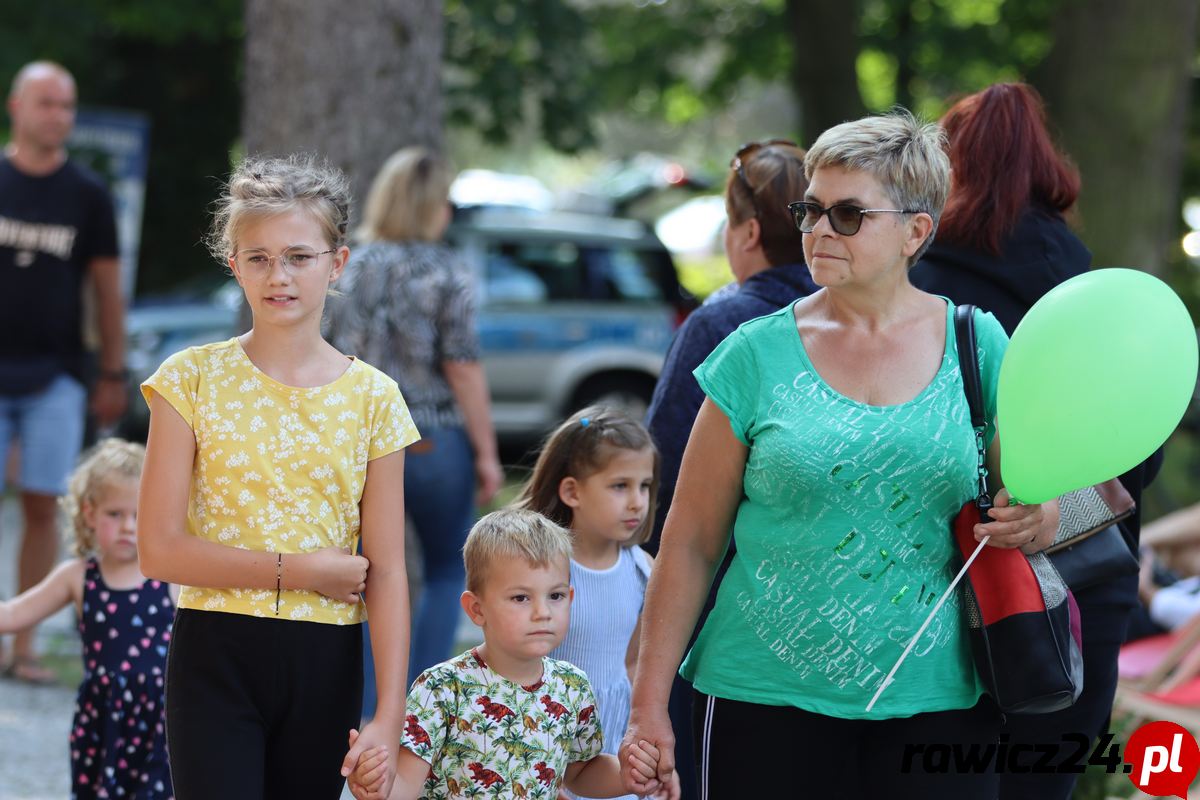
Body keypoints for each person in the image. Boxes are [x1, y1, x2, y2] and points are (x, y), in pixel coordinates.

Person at [619, 109, 1062, 799]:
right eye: (810, 210)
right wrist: (647, 705)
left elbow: (1038, 503)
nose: (819, 231)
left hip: (938, 704)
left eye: (849, 214)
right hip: (758, 697)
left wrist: (1037, 517)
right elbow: (689, 544)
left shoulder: (979, 345)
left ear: (916, 230)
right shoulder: (752, 354)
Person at [137, 154, 419, 799]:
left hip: (327, 661)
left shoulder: (375, 399)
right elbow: (159, 549)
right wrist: (299, 571)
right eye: (258, 257)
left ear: (336, 263)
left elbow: (389, 568)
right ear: (233, 263)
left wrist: (388, 714)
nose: (279, 275)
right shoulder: (190, 379)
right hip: (214, 654)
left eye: (298, 256)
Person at [910, 82, 1162, 800]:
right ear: (1050, 170)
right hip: (1081, 592)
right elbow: (1138, 457)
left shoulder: (917, 286)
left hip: (945, 586)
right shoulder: (1090, 290)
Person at [643, 138, 815, 799]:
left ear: (746, 231)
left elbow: (666, 467)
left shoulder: (725, 321)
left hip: (731, 616)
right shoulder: (862, 320)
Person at [325, 147, 503, 712]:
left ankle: (359, 701)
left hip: (357, 434)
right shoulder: (448, 269)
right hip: (431, 432)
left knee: (363, 571)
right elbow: (462, 362)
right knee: (448, 566)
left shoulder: (349, 266)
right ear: (433, 206)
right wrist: (487, 450)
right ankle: (416, 706)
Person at [349, 508, 677, 800]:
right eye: (521, 598)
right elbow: (405, 782)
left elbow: (580, 772)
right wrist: (377, 785)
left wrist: (626, 774)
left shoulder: (572, 686)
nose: (542, 612)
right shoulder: (442, 688)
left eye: (556, 596)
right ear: (477, 609)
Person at [0, 60, 127, 684]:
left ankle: (20, 646)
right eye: (47, 103)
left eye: (68, 106)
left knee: (43, 504)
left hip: (54, 373)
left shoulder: (87, 195)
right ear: (15, 107)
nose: (59, 116)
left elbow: (108, 291)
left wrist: (111, 370)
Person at [0, 438, 175, 798]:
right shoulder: (78, 576)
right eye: (115, 514)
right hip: (102, 719)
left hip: (160, 722)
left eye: (139, 514)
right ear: (89, 513)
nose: (129, 526)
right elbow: (14, 614)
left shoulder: (169, 578)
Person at [507, 405, 659, 800]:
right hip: (547, 742)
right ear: (572, 491)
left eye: (644, 486)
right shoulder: (543, 569)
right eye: (619, 486)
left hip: (613, 747)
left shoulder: (642, 569)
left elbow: (633, 662)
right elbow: (514, 666)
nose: (637, 502)